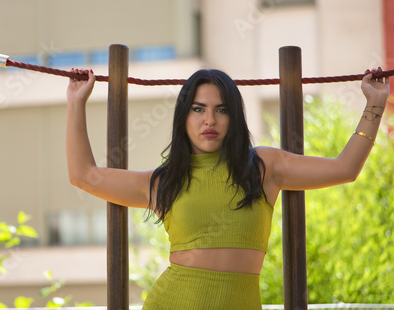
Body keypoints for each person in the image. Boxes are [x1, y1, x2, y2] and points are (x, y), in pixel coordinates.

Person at [66, 67, 390, 309]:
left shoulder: (264, 167)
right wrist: (75, 102)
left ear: (234, 118)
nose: (210, 120)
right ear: (184, 117)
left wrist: (375, 104)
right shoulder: (165, 181)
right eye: (198, 109)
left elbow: (345, 168)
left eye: (221, 110)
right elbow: (83, 174)